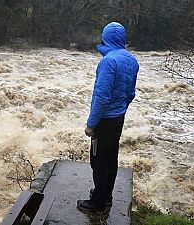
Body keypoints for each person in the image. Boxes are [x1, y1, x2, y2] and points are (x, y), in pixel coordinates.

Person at [77, 22, 139, 213]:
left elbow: (102, 97)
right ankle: (106, 196)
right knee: (111, 158)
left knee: (98, 160)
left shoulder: (108, 62)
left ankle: (98, 203)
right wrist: (120, 109)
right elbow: (130, 93)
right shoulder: (131, 60)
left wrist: (91, 124)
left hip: (104, 120)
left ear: (106, 38)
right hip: (118, 118)